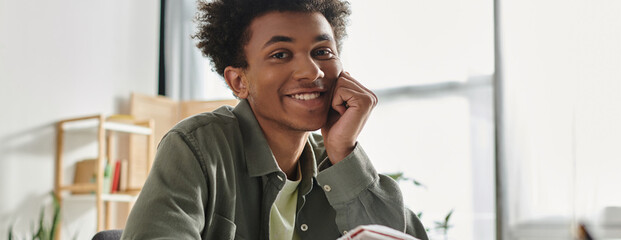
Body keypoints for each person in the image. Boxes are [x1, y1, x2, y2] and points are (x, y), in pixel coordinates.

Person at [121, 0, 429, 239]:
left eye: (322, 51)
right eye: (280, 54)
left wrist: (345, 153)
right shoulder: (197, 148)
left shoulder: (336, 159)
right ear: (239, 81)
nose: (312, 72)